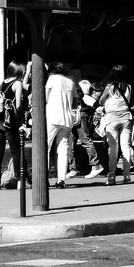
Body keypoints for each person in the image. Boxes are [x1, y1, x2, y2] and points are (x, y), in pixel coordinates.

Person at [0, 61, 26, 189]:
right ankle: (20, 180)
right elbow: (18, 105)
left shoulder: (2, 83)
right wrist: (22, 122)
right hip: (9, 122)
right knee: (16, 152)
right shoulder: (17, 84)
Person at [96, 67, 134, 185]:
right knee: (126, 147)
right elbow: (131, 102)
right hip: (126, 118)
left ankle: (111, 176)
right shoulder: (129, 87)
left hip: (112, 118)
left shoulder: (110, 88)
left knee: (113, 148)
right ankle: (127, 176)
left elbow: (101, 101)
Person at [44, 61, 78, 189]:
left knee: (45, 147)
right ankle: (61, 179)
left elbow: (45, 98)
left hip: (52, 116)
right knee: (63, 148)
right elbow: (75, 102)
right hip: (67, 119)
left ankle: (44, 177)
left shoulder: (52, 79)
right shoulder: (71, 82)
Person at [73, 78, 109, 177]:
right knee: (76, 140)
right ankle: (76, 168)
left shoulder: (87, 99)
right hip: (90, 125)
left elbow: (97, 107)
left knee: (84, 140)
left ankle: (94, 165)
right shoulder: (88, 99)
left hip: (83, 122)